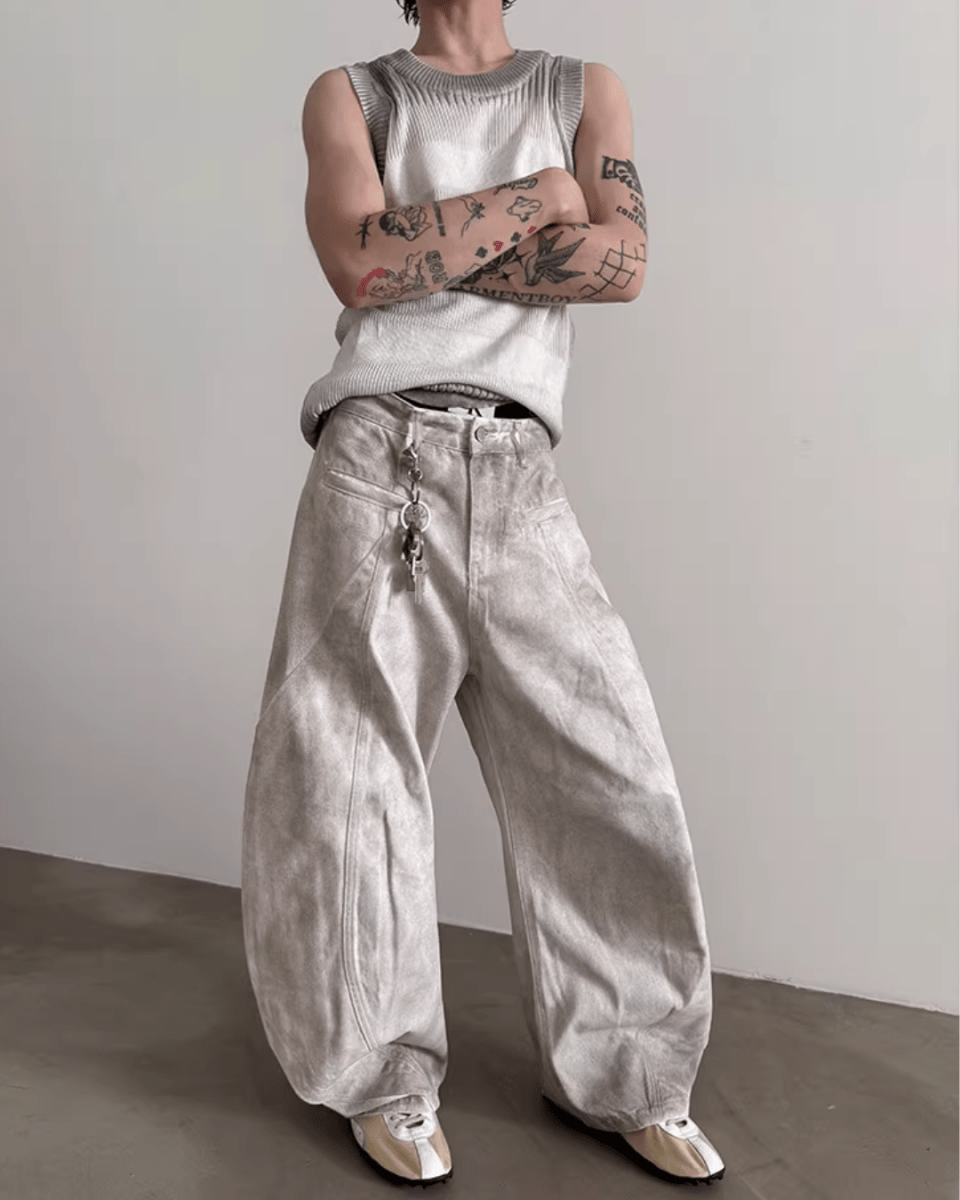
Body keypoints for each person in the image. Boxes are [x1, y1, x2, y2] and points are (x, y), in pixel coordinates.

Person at [240, 0, 726, 1187]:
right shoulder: (354, 95)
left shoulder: (581, 90)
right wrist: (543, 199)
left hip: (519, 468)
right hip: (378, 460)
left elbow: (623, 267)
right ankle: (380, 1079)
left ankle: (631, 1073)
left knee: (607, 772)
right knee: (348, 782)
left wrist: (427, 245)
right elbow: (358, 263)